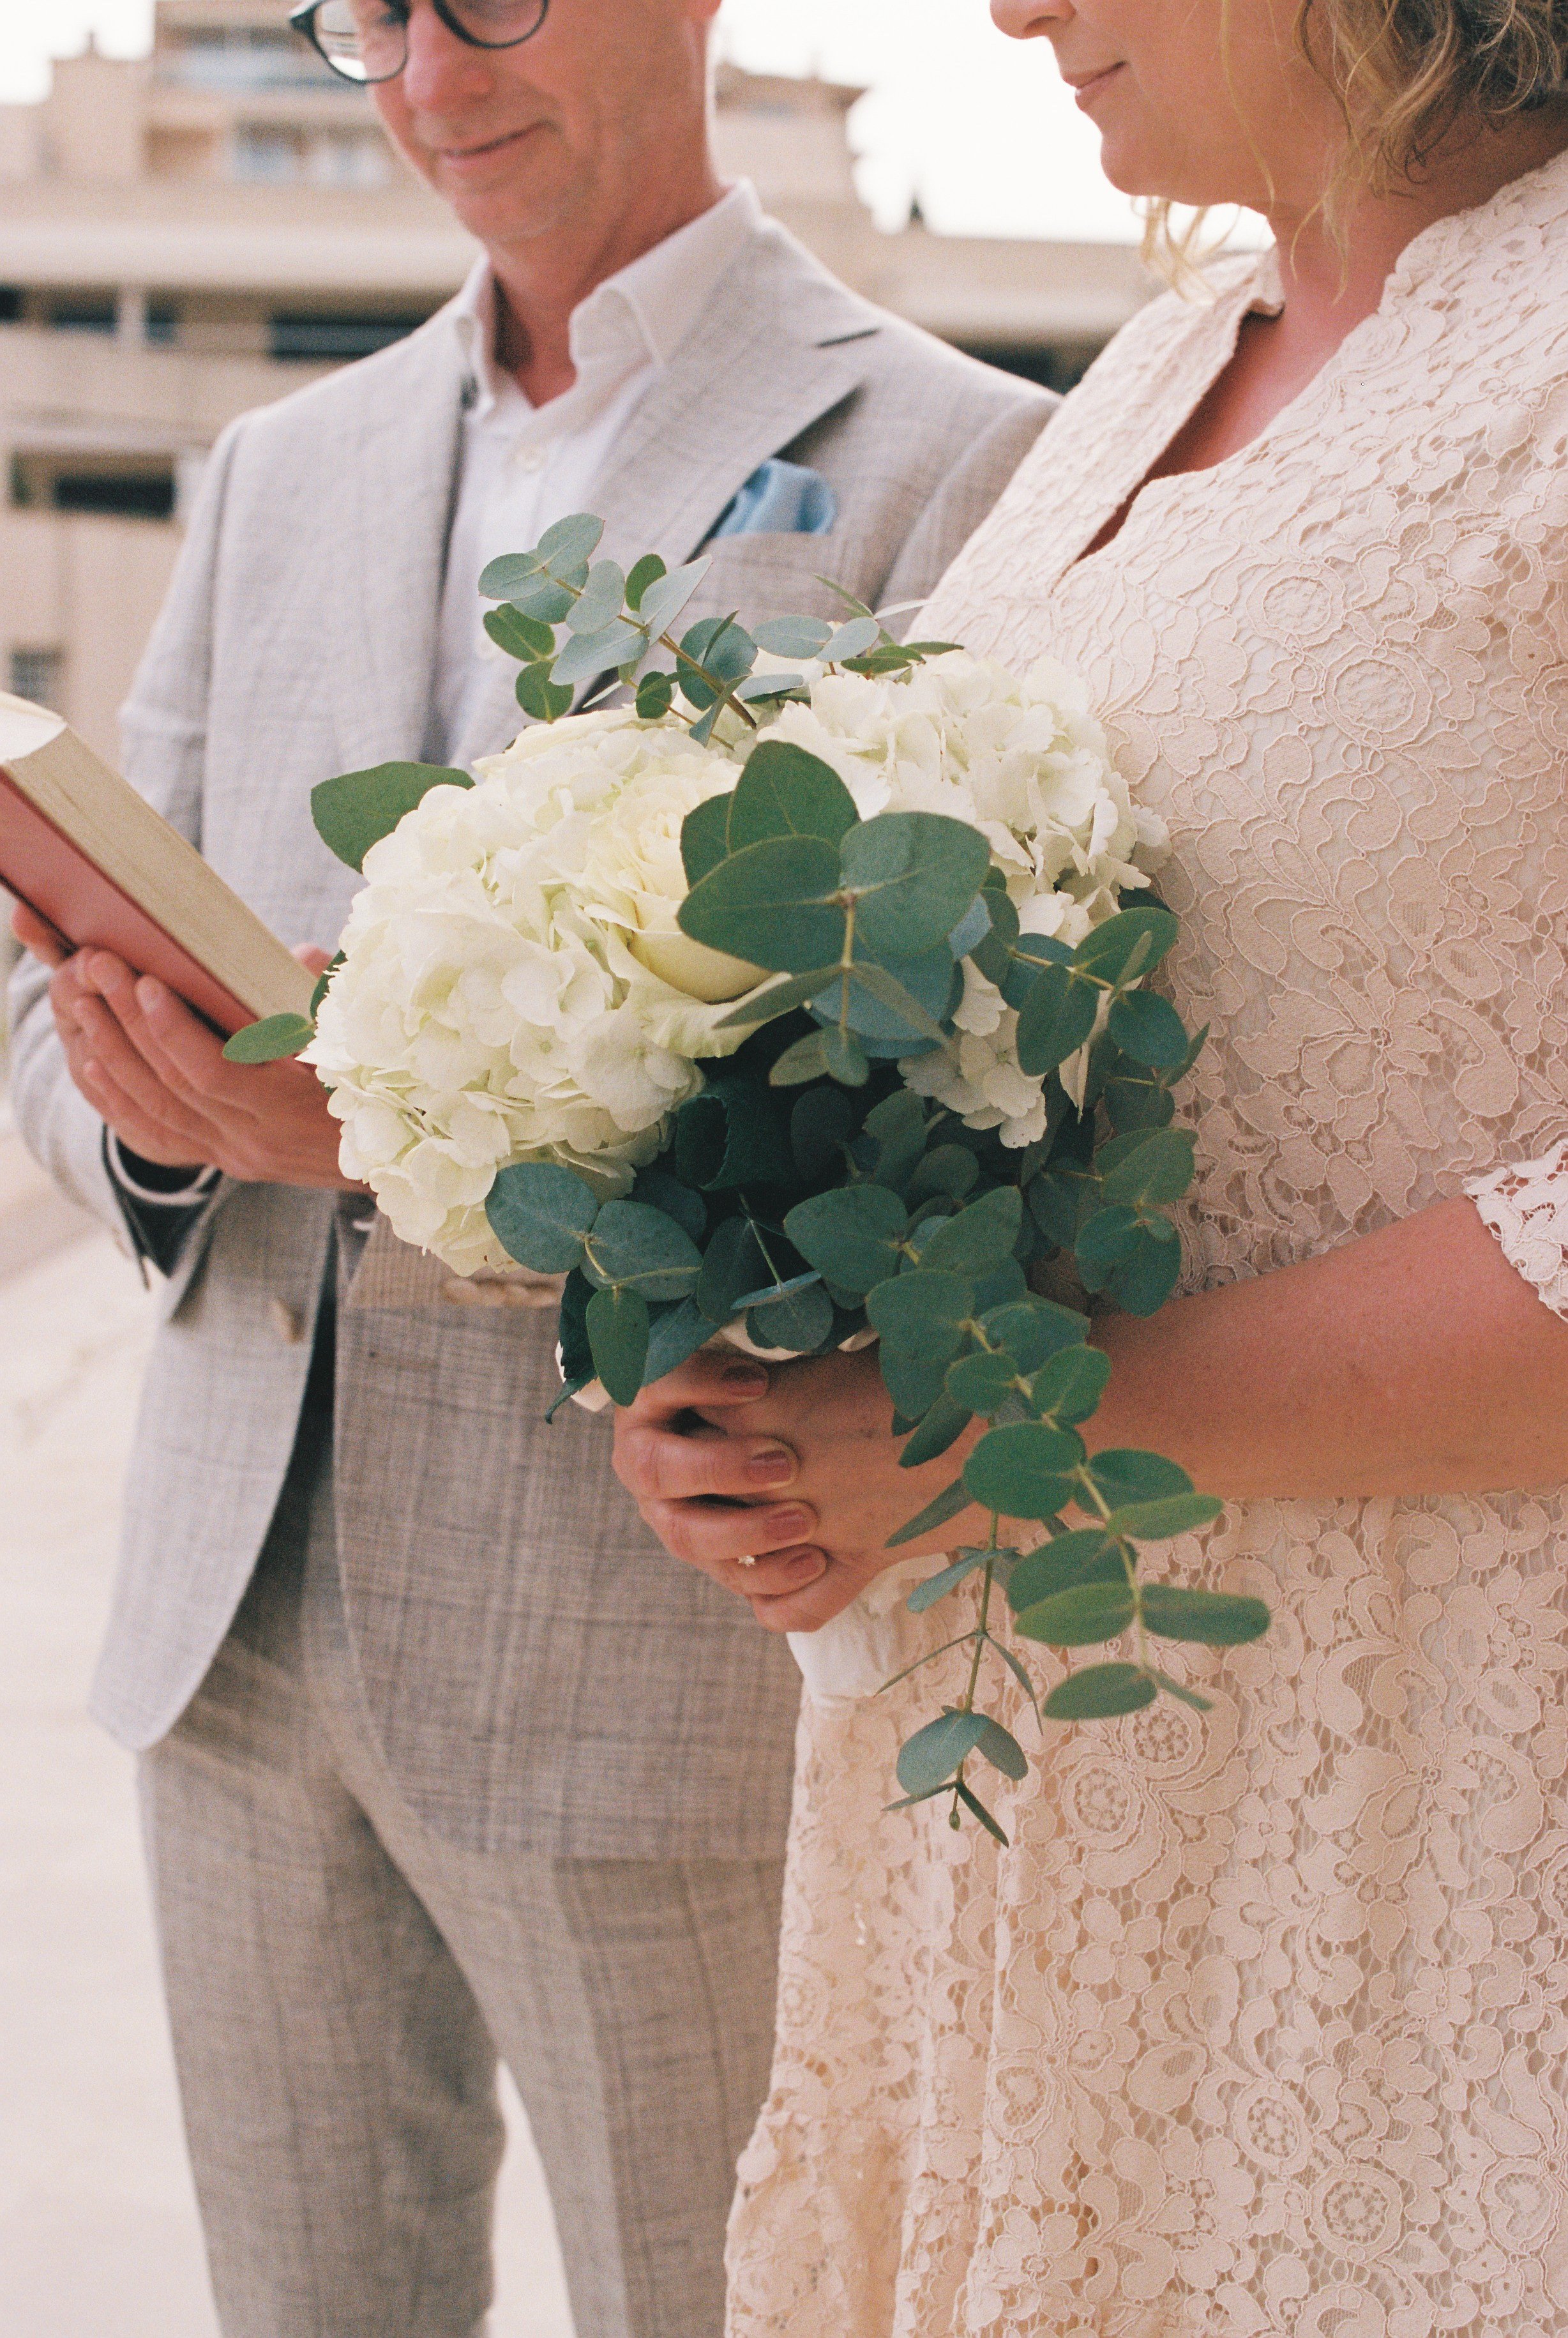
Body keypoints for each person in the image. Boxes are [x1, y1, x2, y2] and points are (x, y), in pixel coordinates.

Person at [5, 4, 1052, 2333]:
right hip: (229, 1630)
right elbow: (45, 1000)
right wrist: (152, 1128)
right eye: (365, 11)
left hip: (649, 1672)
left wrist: (385, 1139)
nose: (423, 72)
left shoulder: (965, 467)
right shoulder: (281, 460)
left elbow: (934, 1115)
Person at [612, 1, 1568, 2328]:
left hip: (1422, 1849)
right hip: (1008, 1838)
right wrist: (759, 1365)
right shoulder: (1162, 365)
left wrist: (1014, 1416)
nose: (1016, 4)